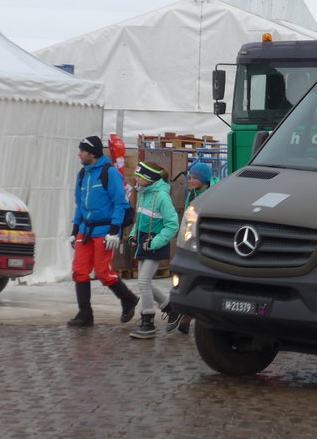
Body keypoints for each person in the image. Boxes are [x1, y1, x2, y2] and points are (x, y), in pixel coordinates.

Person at [68, 136, 138, 326]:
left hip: (104, 231)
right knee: (79, 271)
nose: (79, 154)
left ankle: (128, 298)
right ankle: (85, 314)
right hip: (85, 230)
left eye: (82, 150)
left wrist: (115, 231)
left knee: (102, 272)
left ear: (92, 153)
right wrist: (75, 229)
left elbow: (120, 204)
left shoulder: (110, 173)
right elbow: (79, 204)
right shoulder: (82, 174)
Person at [126, 160, 181, 339]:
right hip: (144, 241)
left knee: (143, 282)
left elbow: (172, 224)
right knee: (146, 282)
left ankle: (147, 322)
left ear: (148, 179)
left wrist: (155, 242)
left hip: (154, 243)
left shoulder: (162, 197)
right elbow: (140, 219)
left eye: (139, 177)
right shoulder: (143, 193)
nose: (136, 179)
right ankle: (170, 308)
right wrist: (134, 235)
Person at [175, 161, 213, 336]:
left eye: (193, 178)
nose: (189, 181)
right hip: (192, 242)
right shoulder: (193, 195)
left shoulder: (210, 196)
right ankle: (185, 318)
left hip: (205, 245)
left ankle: (188, 318)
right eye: (189, 177)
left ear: (203, 179)